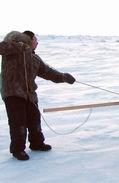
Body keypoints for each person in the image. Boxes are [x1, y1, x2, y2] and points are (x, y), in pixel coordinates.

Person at [1, 31, 76, 161]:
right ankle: (18, 150)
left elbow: (48, 72)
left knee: (34, 119)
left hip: (29, 94)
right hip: (13, 92)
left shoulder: (35, 59)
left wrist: (63, 77)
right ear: (29, 40)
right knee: (18, 122)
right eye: (35, 40)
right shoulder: (12, 50)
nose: (37, 42)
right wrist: (18, 46)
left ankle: (36, 143)